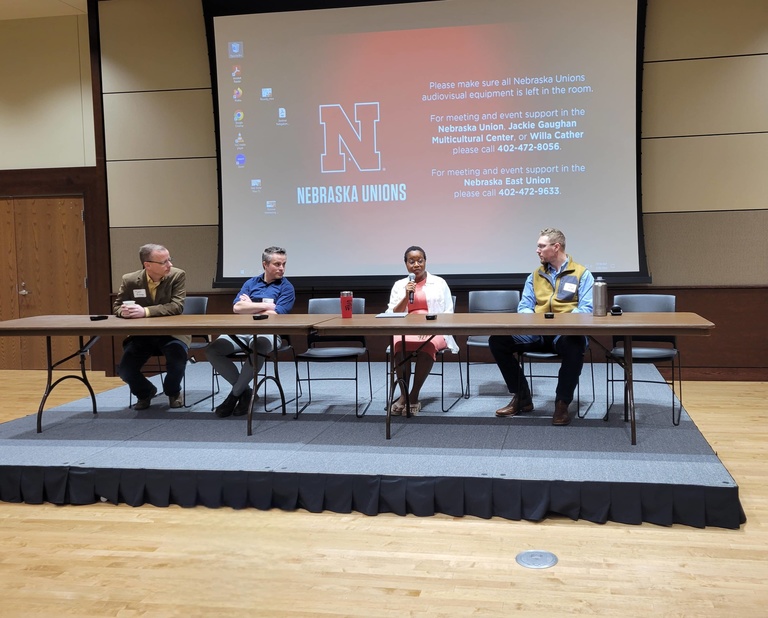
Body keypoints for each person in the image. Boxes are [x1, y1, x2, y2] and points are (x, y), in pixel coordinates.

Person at [489, 228, 594, 426]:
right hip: (536, 333)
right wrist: (537, 321)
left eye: (541, 246)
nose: (537, 250)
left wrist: (559, 322)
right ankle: (522, 397)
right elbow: (524, 307)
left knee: (575, 343)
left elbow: (586, 309)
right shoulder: (534, 276)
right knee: (498, 340)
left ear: (556, 247)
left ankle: (562, 403)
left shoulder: (582, 274)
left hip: (565, 334)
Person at [207, 246, 295, 418]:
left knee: (259, 346)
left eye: (284, 264)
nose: (281, 268)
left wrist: (251, 306)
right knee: (212, 350)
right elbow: (237, 308)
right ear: (265, 264)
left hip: (270, 333)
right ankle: (246, 392)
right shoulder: (250, 283)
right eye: (277, 264)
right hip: (241, 331)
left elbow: (276, 314)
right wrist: (266, 306)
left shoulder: (287, 287)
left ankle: (234, 396)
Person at [113, 243, 189, 410]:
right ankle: (145, 392)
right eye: (164, 262)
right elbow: (117, 307)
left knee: (177, 363)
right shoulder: (130, 280)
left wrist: (145, 311)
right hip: (142, 335)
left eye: (170, 260)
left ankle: (173, 391)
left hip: (172, 333)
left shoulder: (177, 276)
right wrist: (123, 312)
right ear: (147, 265)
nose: (170, 265)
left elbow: (177, 306)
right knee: (125, 371)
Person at [385, 246, 458, 416]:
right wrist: (405, 295)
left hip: (435, 329)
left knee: (428, 345)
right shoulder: (399, 285)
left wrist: (431, 327)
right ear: (406, 265)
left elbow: (448, 312)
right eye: (412, 261)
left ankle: (414, 395)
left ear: (425, 262)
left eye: (420, 260)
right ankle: (403, 396)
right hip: (406, 328)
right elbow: (392, 314)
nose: (416, 264)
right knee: (398, 344)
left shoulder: (439, 283)